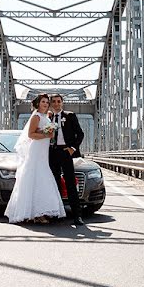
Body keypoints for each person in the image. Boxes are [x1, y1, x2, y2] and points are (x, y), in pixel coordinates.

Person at [5, 94, 66, 224]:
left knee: (43, 181)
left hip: (44, 152)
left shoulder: (47, 116)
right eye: (43, 102)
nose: (45, 104)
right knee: (37, 179)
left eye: (46, 102)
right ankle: (36, 213)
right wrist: (46, 134)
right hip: (36, 150)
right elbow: (31, 134)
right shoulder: (36, 116)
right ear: (38, 104)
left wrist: (50, 133)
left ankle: (41, 212)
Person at [48, 93, 85, 225]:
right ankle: (57, 213)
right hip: (52, 153)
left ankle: (77, 216)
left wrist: (72, 149)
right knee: (55, 183)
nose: (56, 104)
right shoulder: (48, 117)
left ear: (62, 103)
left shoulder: (70, 116)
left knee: (70, 183)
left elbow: (80, 134)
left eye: (59, 101)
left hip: (65, 152)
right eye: (54, 102)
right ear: (51, 104)